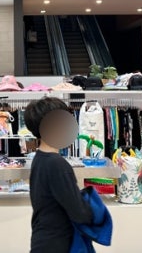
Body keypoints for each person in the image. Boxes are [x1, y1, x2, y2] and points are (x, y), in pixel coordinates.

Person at [25, 97, 93, 253]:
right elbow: (80, 213)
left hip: (43, 239)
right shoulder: (57, 164)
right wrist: (94, 209)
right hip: (57, 244)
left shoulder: (40, 158)